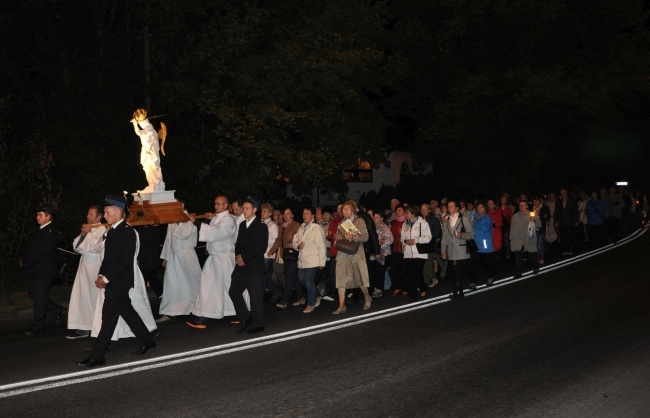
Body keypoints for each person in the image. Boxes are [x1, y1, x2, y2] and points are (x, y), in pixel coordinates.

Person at [77, 195, 156, 367]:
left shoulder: (127, 232)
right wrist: (101, 274)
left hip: (120, 281)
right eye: (105, 212)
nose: (105, 216)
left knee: (108, 316)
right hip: (114, 280)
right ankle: (148, 340)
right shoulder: (112, 231)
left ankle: (97, 356)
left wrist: (106, 277)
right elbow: (108, 258)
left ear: (119, 212)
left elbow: (124, 260)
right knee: (127, 312)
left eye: (107, 212)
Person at [187, 195, 237, 329]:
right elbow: (209, 229)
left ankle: (236, 312)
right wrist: (206, 220)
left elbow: (216, 233)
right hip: (215, 259)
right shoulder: (216, 217)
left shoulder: (229, 220)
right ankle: (203, 316)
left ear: (226, 205)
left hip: (224, 259)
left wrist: (196, 223)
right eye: (215, 204)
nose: (216, 206)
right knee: (211, 288)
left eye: (219, 204)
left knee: (226, 288)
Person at [21, 203, 66, 335]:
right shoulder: (41, 230)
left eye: (40, 215)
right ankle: (57, 311)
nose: (37, 217)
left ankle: (38, 325)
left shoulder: (50, 232)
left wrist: (26, 262)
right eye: (37, 215)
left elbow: (40, 253)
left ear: (48, 217)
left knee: (39, 297)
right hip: (36, 270)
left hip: (43, 271)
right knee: (35, 294)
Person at [229, 198, 269, 334]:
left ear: (254, 210)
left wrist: (245, 258)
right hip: (241, 266)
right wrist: (238, 256)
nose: (244, 211)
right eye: (243, 208)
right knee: (233, 291)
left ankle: (259, 323)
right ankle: (245, 317)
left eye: (247, 208)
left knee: (255, 295)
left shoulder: (261, 226)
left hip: (254, 267)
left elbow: (260, 247)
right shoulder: (242, 225)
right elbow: (238, 243)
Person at [158, 201, 202, 320]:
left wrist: (180, 220)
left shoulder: (189, 218)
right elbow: (169, 238)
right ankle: (170, 311)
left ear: (182, 206)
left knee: (192, 282)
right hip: (174, 255)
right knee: (172, 284)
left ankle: (199, 308)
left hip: (187, 254)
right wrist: (166, 256)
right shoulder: (172, 220)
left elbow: (184, 234)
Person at [66, 205, 105, 339]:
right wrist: (84, 234)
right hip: (84, 267)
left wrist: (88, 234)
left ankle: (94, 327)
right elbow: (76, 247)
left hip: (94, 266)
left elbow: (97, 247)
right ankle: (83, 326)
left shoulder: (103, 229)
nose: (87, 216)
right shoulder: (88, 229)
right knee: (82, 297)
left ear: (98, 217)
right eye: (88, 213)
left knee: (93, 298)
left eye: (90, 214)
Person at [332, 201, 371, 314]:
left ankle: (367, 297)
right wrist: (339, 236)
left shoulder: (359, 220)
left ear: (353, 210)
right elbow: (340, 237)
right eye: (343, 209)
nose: (345, 211)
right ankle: (341, 305)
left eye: (348, 209)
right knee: (341, 278)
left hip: (356, 252)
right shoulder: (342, 223)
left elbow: (365, 237)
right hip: (343, 252)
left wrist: (352, 236)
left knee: (360, 279)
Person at [292, 207, 326, 313]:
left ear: (312, 216)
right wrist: (298, 245)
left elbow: (322, 245)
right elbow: (294, 241)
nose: (305, 215)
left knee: (308, 280)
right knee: (301, 279)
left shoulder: (316, 228)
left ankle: (311, 304)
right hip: (302, 259)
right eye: (304, 213)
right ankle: (317, 295)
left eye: (308, 213)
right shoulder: (301, 227)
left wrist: (322, 262)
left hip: (314, 259)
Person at [440, 200, 473, 299]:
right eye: (448, 206)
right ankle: (461, 292)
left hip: (462, 250)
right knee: (455, 273)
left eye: (452, 206)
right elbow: (444, 238)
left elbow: (471, 234)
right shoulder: (446, 221)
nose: (450, 208)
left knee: (459, 272)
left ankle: (455, 293)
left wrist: (461, 235)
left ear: (456, 208)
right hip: (451, 251)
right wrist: (443, 251)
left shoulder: (463, 218)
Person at [401, 205, 432, 301]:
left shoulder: (423, 223)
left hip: (419, 253)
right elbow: (402, 237)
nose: (405, 214)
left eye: (407, 213)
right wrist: (405, 241)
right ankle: (413, 296)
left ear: (413, 213)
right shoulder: (405, 224)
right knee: (409, 275)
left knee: (416, 274)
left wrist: (416, 240)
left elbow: (428, 237)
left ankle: (422, 289)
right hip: (408, 253)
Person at [131, 108, 165, 193]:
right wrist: (135, 124)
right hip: (146, 152)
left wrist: (150, 150)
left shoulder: (150, 130)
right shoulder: (146, 131)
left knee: (152, 167)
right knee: (146, 168)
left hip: (151, 153)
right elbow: (138, 132)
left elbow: (153, 142)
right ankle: (152, 184)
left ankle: (156, 183)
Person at [276, 207, 303, 309]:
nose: (286, 215)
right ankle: (301, 297)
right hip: (285, 255)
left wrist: (290, 245)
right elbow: (279, 241)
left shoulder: (296, 225)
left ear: (293, 215)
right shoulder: (282, 226)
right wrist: (271, 251)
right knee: (294, 277)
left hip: (293, 254)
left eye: (288, 213)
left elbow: (300, 240)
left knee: (288, 277)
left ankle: (285, 300)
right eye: (284, 213)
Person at [510, 200, 542, 279]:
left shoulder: (532, 214)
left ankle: (535, 267)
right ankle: (519, 272)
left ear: (527, 206)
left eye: (523, 205)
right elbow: (512, 228)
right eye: (520, 205)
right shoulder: (515, 216)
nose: (522, 207)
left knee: (532, 254)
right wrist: (512, 239)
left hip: (529, 236)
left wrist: (534, 220)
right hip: (518, 238)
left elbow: (539, 225)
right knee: (518, 255)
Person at [261, 203, 282, 303]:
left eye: (265, 211)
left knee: (262, 273)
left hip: (268, 254)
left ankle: (276, 291)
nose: (262, 213)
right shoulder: (261, 223)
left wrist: (264, 239)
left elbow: (276, 240)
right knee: (262, 274)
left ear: (270, 213)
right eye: (262, 211)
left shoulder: (273, 225)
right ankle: (273, 291)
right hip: (261, 253)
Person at [471, 202, 496, 286]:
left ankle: (490, 277)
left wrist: (476, 222)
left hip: (485, 245)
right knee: (474, 264)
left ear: (485, 208)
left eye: (481, 207)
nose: (479, 208)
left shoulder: (488, 218)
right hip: (475, 243)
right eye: (478, 207)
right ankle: (473, 281)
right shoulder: (475, 216)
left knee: (487, 263)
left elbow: (484, 229)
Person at [371, 211, 393, 297]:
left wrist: (382, 242)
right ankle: (378, 287)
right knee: (376, 271)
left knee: (380, 271)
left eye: (377, 217)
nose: (375, 218)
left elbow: (391, 239)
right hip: (375, 252)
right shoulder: (373, 227)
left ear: (381, 218)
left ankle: (379, 289)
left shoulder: (384, 227)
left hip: (384, 253)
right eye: (374, 217)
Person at [421, 203, 441, 289]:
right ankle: (433, 279)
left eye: (425, 209)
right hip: (421, 244)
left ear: (429, 210)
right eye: (422, 209)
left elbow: (438, 232)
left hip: (430, 245)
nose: (423, 211)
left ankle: (425, 284)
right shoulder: (419, 219)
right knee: (425, 263)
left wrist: (428, 236)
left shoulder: (434, 219)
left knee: (427, 264)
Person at [389, 204, 407, 296]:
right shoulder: (394, 223)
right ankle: (397, 287)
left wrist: (403, 231)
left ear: (404, 211)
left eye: (400, 210)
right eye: (397, 210)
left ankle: (405, 288)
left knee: (405, 270)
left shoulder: (407, 221)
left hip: (405, 249)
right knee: (395, 269)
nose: (398, 212)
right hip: (395, 249)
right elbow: (391, 235)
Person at [554, 188, 578, 256]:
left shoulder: (572, 200)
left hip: (570, 221)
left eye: (563, 193)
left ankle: (570, 249)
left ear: (566, 193)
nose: (562, 194)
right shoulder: (558, 201)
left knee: (569, 235)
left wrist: (576, 220)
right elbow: (556, 212)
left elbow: (575, 211)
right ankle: (564, 249)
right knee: (563, 236)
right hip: (562, 221)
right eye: (561, 193)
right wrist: (555, 221)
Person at [532, 196, 551, 265]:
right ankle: (537, 258)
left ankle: (541, 258)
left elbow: (548, 216)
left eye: (536, 201)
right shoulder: (532, 208)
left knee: (540, 244)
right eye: (534, 201)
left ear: (539, 201)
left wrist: (544, 215)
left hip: (541, 228)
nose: (535, 203)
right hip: (534, 228)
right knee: (535, 244)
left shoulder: (544, 208)